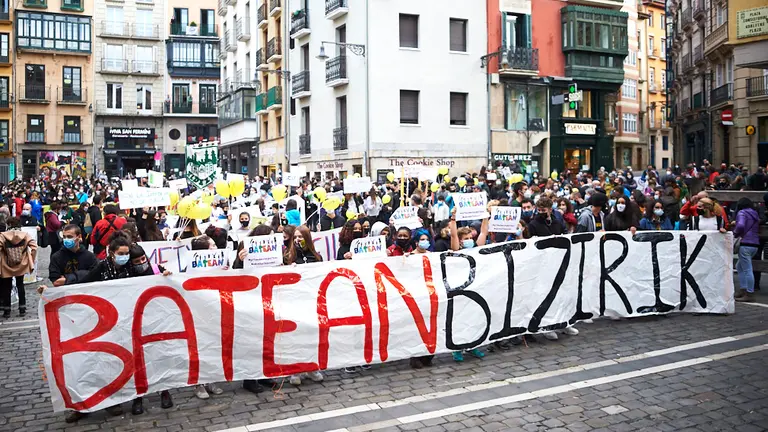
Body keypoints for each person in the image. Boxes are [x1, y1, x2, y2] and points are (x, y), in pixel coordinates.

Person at [124, 243, 174, 414]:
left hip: (157, 320)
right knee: (138, 360)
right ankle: (138, 396)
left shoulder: (156, 269)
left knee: (160, 356)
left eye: (143, 259)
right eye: (137, 261)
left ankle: (164, 390)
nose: (141, 263)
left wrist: (167, 276)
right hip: (135, 322)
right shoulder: (126, 274)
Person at [284, 225, 326, 385]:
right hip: (294, 302)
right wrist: (288, 270)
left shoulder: (317, 257)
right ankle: (295, 370)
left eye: (300, 237)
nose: (297, 240)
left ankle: (311, 368)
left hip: (311, 302)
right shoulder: (288, 256)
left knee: (311, 335)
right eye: (295, 237)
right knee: (296, 337)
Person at [0, 218, 37, 318]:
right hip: (22, 264)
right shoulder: (25, 235)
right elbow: (34, 247)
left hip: (6, 265)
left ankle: (7, 310)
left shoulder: (3, 236)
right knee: (20, 285)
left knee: (6, 287)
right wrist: (31, 259)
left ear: (8, 225)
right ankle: (22, 308)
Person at [734, 198, 760, 302]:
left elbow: (740, 225)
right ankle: (743, 289)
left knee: (747, 269)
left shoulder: (742, 213)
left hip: (745, 243)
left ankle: (749, 293)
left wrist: (735, 233)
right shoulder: (755, 213)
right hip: (755, 244)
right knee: (739, 266)